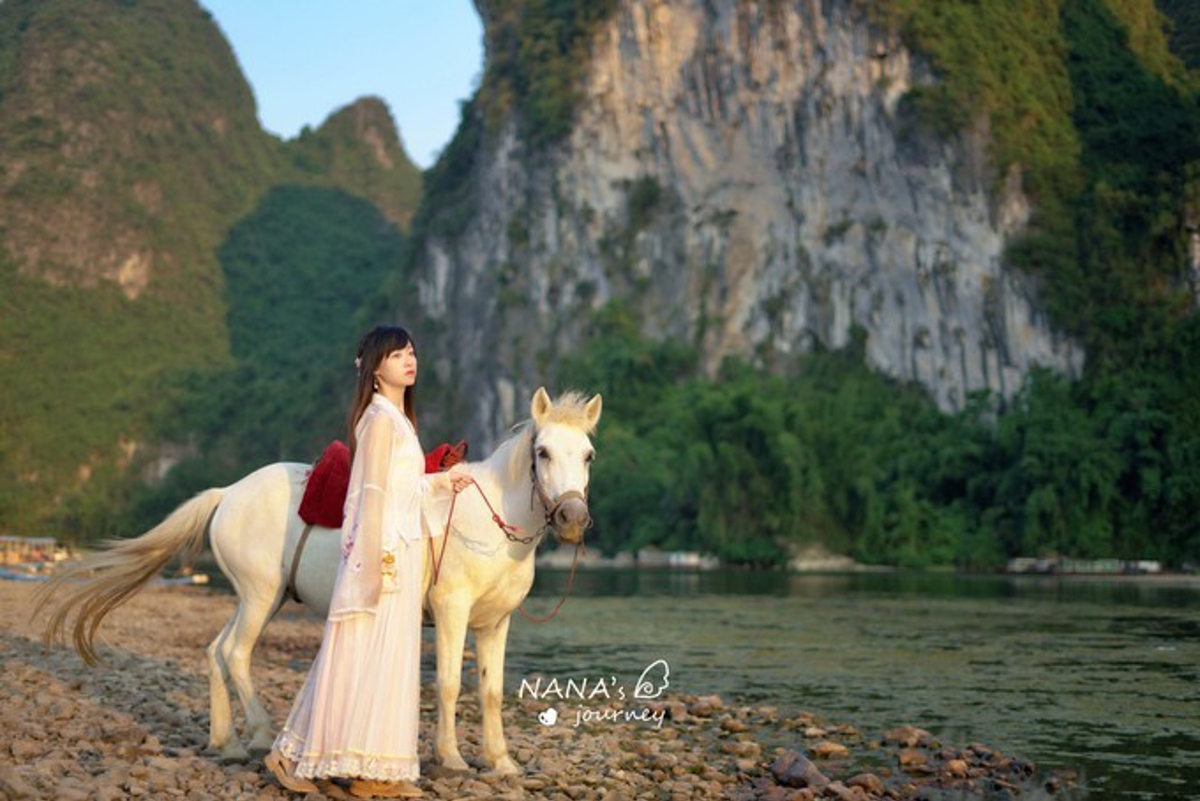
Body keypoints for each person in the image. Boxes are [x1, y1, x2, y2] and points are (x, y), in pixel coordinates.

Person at [265, 325, 472, 799]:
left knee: (385, 661)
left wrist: (442, 484)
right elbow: (371, 492)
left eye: (412, 352)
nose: (409, 360)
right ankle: (290, 754)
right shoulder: (379, 420)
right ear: (375, 369)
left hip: (399, 549)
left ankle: (370, 768)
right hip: (384, 553)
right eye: (398, 354)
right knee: (356, 655)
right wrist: (374, 558)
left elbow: (405, 488)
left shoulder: (399, 422)